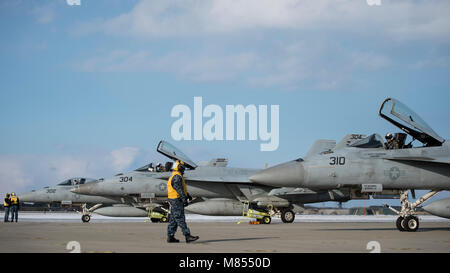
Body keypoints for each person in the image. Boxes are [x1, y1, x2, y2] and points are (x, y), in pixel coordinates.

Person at [166, 160, 199, 243]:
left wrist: (187, 195)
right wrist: (184, 199)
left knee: (174, 219)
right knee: (180, 218)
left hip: (174, 199)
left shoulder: (176, 175)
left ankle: (170, 236)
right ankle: (187, 236)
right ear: (179, 167)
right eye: (183, 168)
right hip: (177, 200)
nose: (184, 170)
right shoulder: (177, 176)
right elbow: (179, 189)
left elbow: (180, 188)